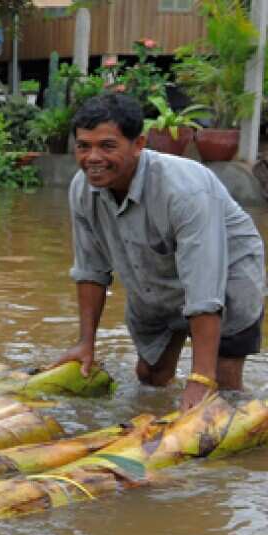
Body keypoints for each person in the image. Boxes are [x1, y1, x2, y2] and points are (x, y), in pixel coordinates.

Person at [55, 93, 265, 412]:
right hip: (153, 274)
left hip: (226, 275)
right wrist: (86, 344)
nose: (92, 158)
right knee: (151, 376)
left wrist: (201, 378)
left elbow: (205, 284)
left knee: (222, 387)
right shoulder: (83, 189)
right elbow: (90, 270)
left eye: (107, 146)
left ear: (138, 144)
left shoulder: (184, 189)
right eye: (84, 146)